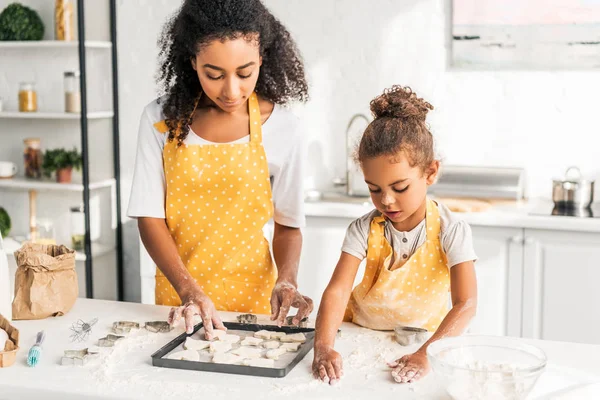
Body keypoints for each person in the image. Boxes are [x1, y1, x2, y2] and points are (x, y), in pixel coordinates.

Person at [127, 0, 313, 339]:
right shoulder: (160, 120)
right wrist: (188, 289)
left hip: (252, 302)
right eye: (214, 74)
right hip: (180, 302)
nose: (231, 91)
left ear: (261, 59)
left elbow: (288, 226)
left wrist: (287, 279)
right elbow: (148, 217)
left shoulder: (285, 129)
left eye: (245, 73)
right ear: (192, 61)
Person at [312, 85, 478, 384]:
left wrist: (426, 354)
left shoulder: (451, 230)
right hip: (361, 338)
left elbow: (465, 304)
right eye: (374, 189)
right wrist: (323, 346)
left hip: (427, 342)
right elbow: (337, 291)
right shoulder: (363, 229)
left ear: (430, 172)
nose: (386, 200)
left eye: (399, 188)